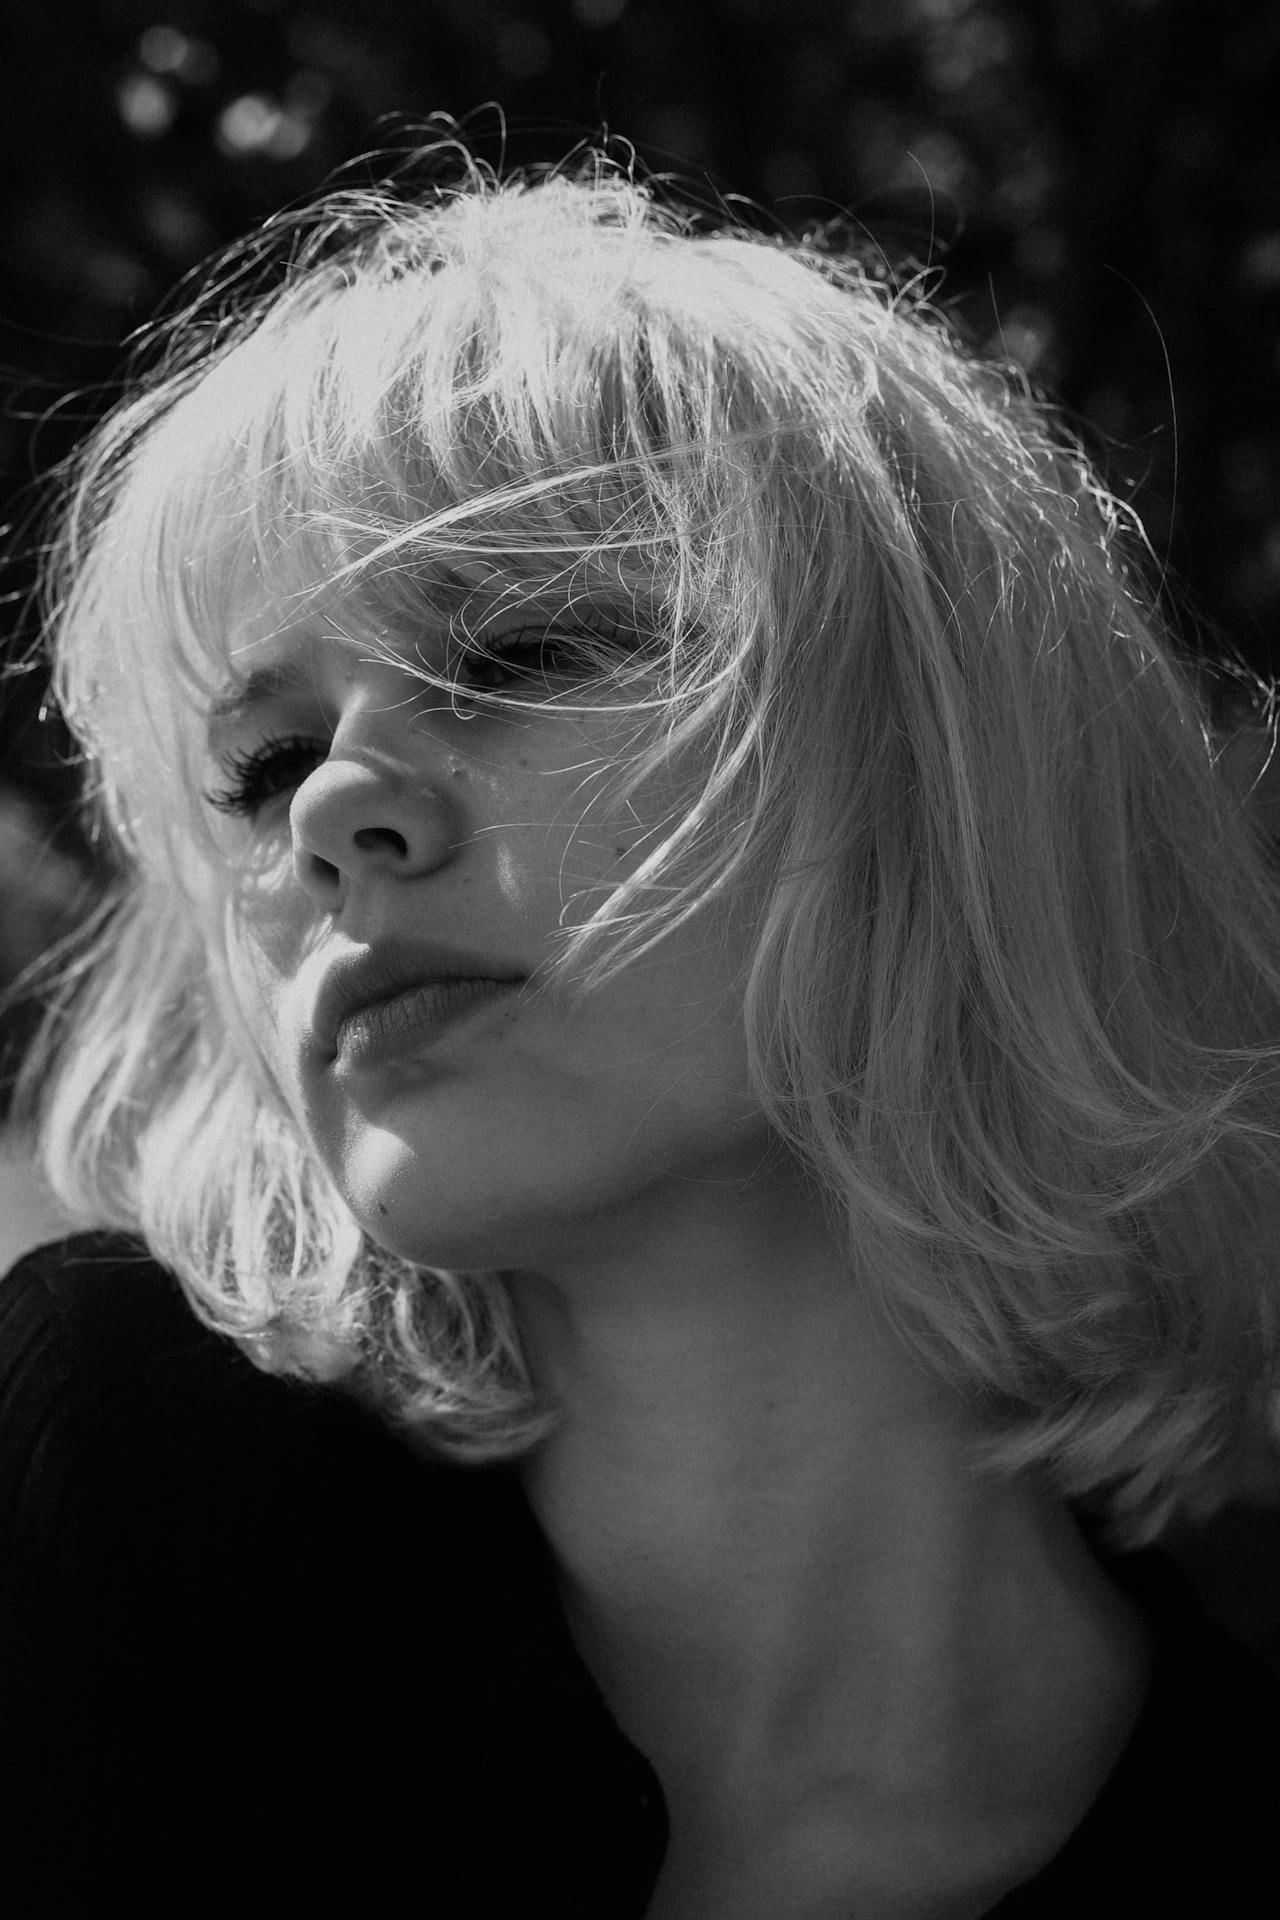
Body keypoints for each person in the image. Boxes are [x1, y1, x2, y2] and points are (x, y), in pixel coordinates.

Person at [4, 138, 1280, 1917]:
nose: (332, 809)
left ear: (947, 769)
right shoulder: (109, 1491)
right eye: (263, 765)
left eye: (525, 647)